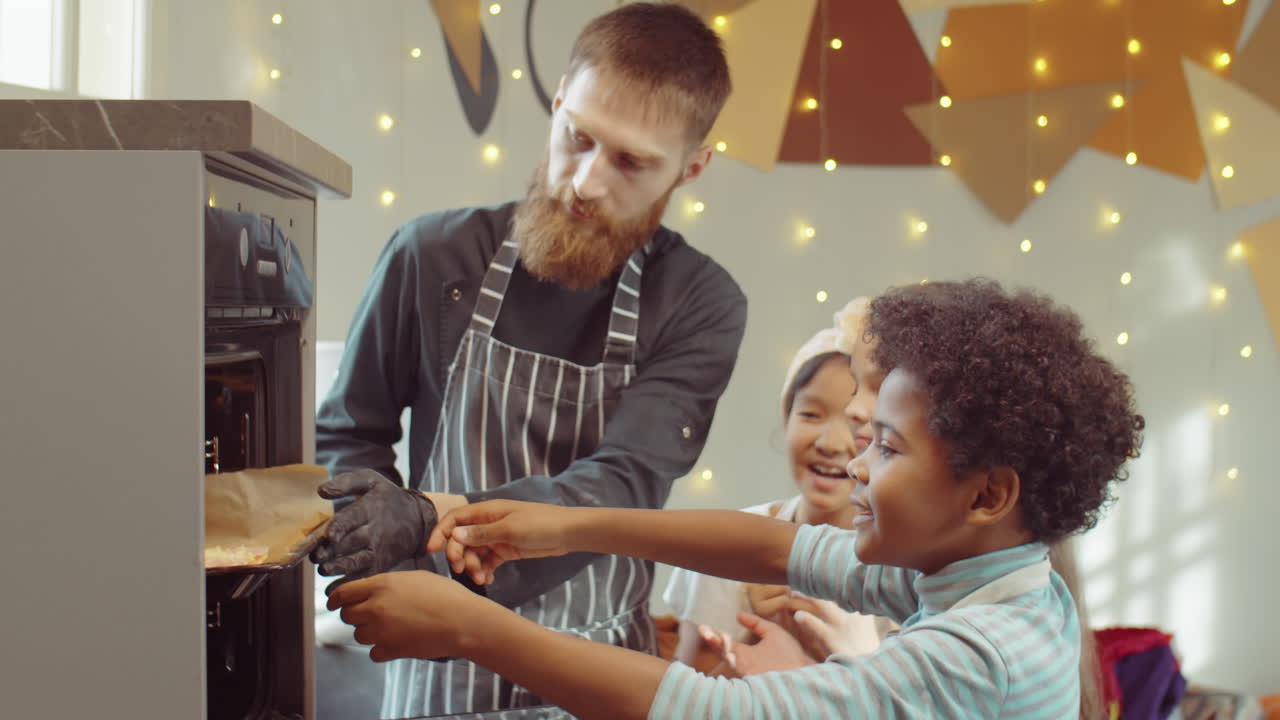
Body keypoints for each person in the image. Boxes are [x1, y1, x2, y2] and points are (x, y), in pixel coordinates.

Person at [329, 278, 1146, 719]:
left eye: (886, 447)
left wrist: (474, 628)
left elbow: (713, 715)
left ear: (986, 494)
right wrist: (561, 524)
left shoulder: (980, 655)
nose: (858, 465)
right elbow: (775, 547)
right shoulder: (980, 573)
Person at [310, 3, 743, 715]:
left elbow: (624, 484)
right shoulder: (430, 256)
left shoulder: (700, 301)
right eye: (577, 137)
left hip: (600, 674)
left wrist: (428, 520)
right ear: (558, 97)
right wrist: (374, 533)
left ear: (691, 168)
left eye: (631, 161)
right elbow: (352, 434)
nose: (586, 181)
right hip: (436, 658)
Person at [662, 298, 885, 673]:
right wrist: (753, 640)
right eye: (811, 414)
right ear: (786, 420)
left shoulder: (904, 570)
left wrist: (850, 650)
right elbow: (687, 697)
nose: (831, 443)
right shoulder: (728, 550)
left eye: (854, 420)